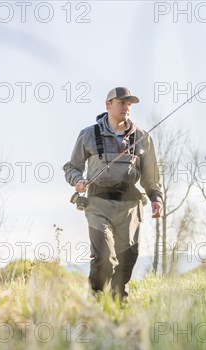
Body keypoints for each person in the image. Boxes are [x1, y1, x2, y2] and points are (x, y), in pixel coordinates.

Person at [63, 87, 163, 301]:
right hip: (98, 204)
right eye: (121, 102)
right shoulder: (88, 134)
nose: (126, 107)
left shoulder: (142, 137)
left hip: (129, 207)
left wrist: (155, 198)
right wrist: (78, 181)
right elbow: (71, 167)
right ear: (108, 105)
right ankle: (97, 299)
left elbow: (151, 176)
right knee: (104, 257)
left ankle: (119, 304)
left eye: (129, 104)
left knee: (128, 258)